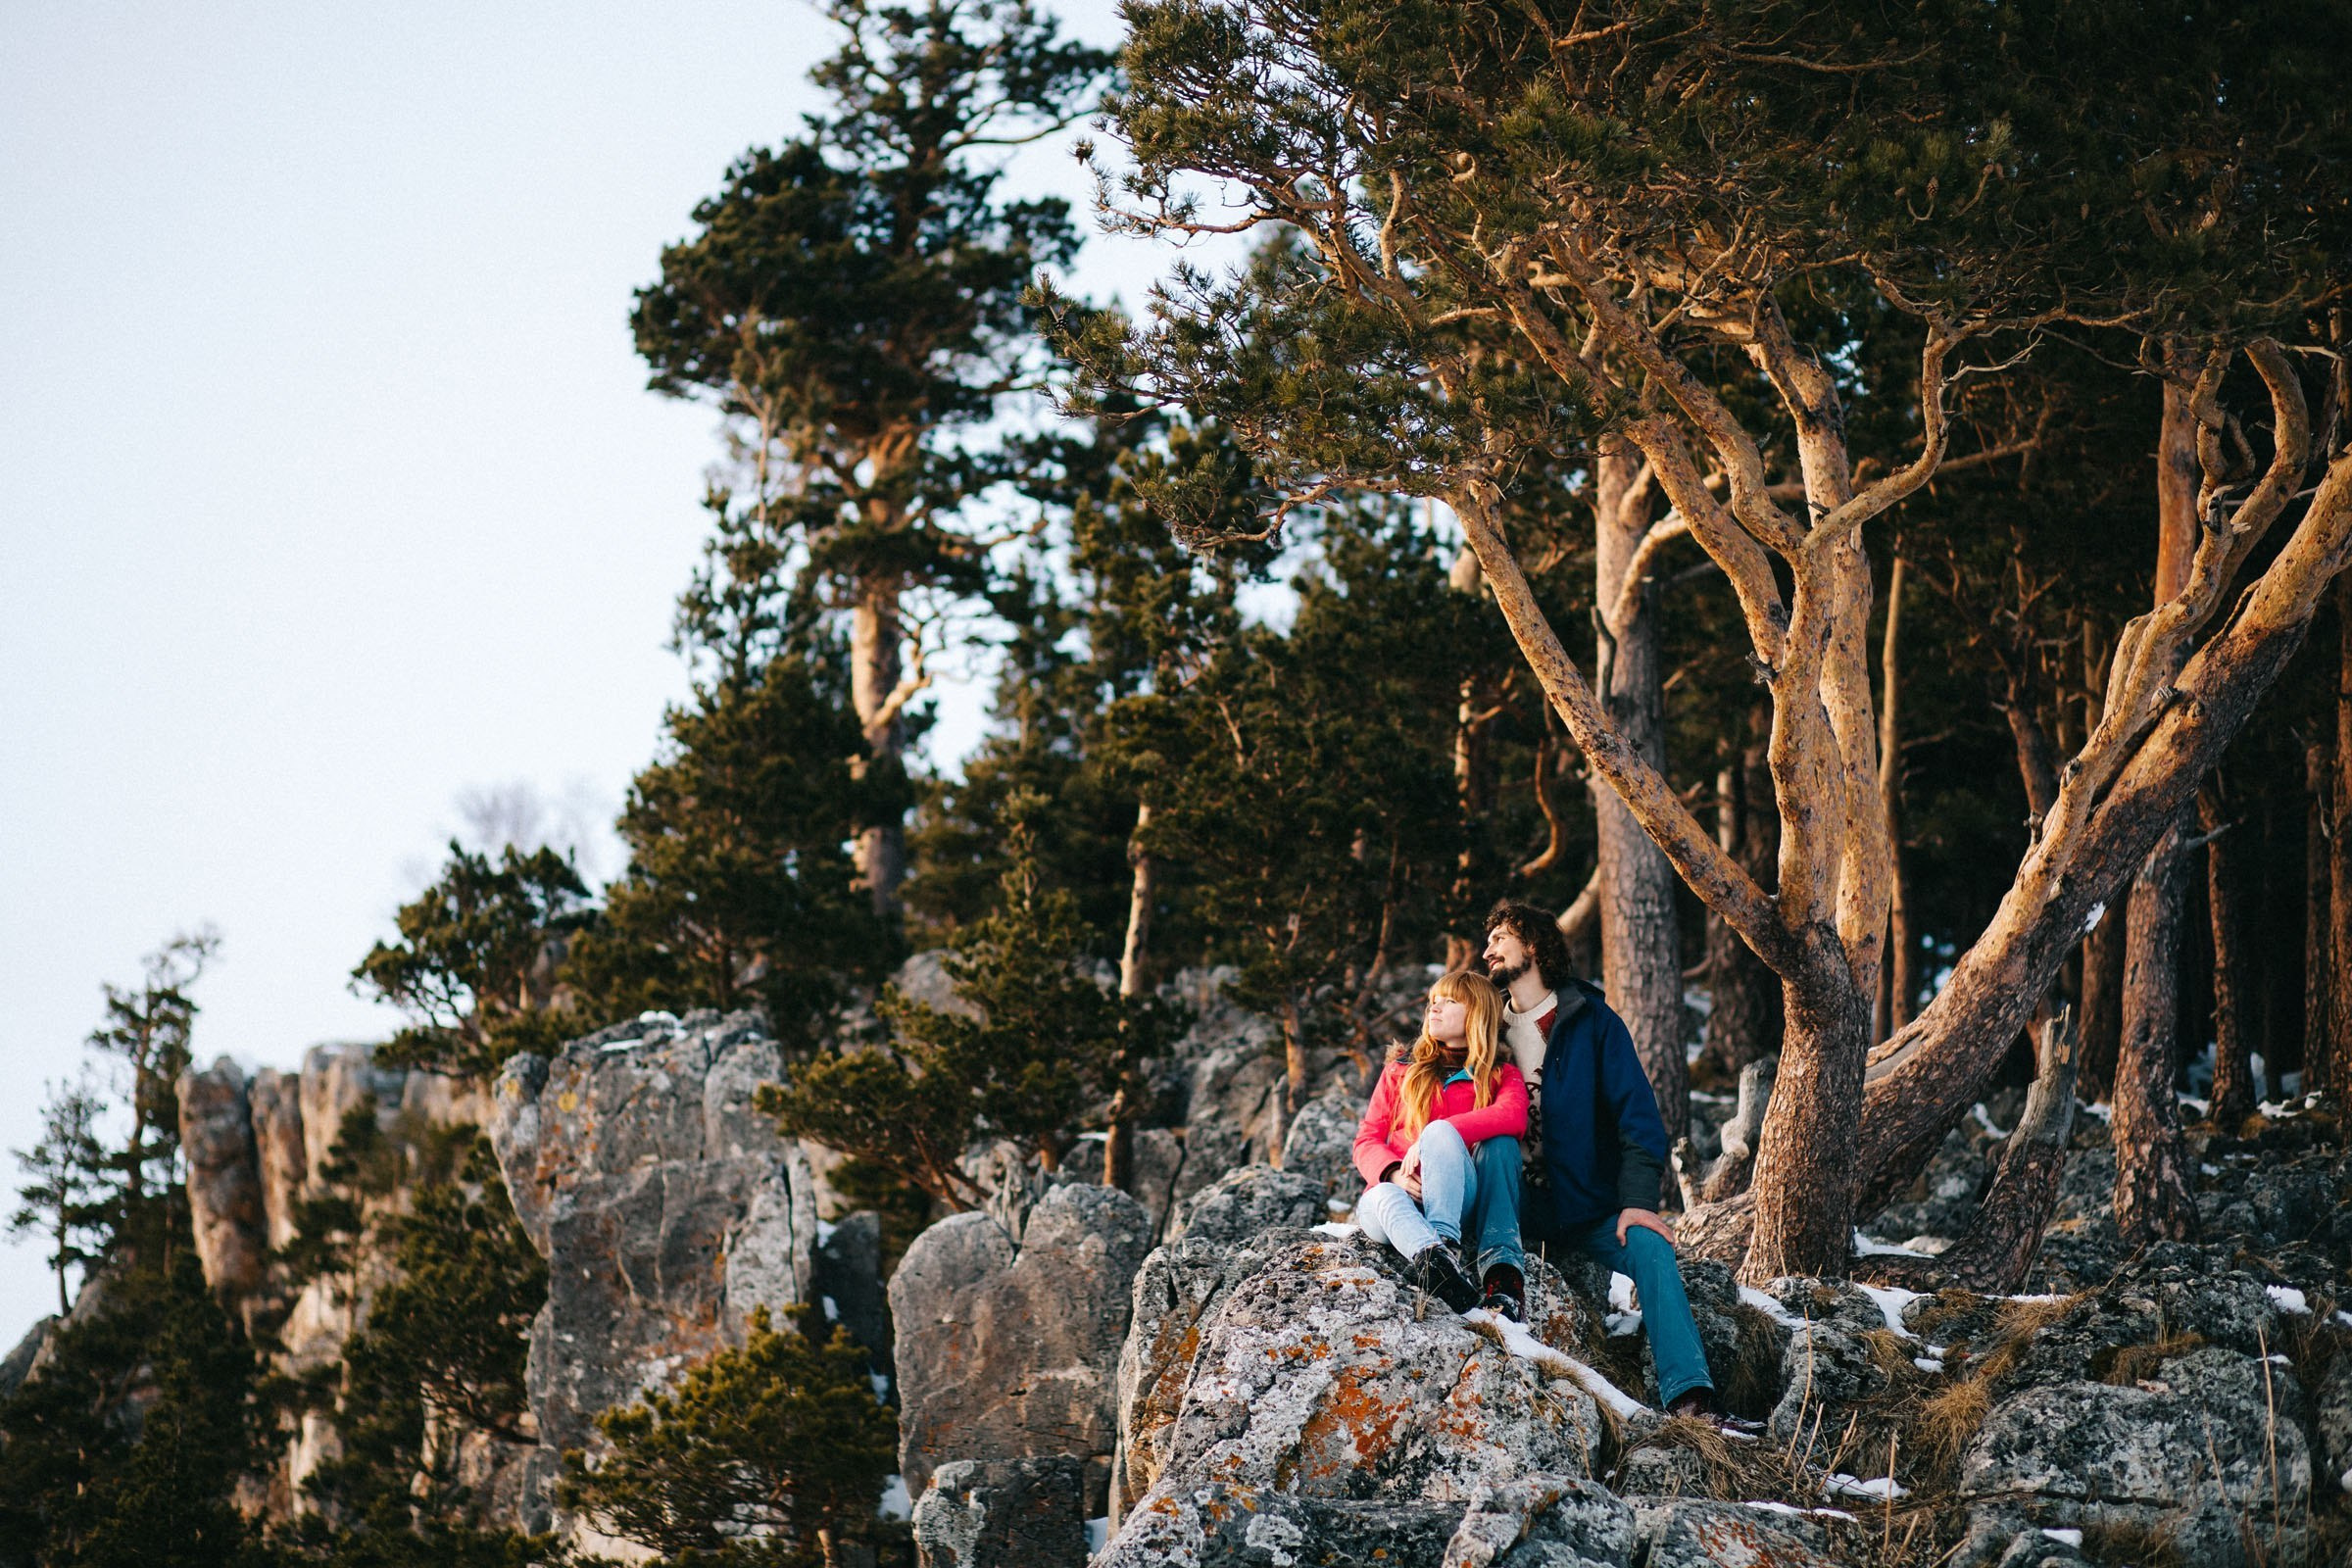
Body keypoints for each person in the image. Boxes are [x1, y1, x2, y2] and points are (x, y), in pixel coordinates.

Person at [1481, 900, 1720, 1417]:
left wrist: (1636, 1202)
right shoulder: (1485, 1025)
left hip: (1587, 1206)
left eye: (1500, 937)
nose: (1488, 950)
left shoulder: (1592, 1022)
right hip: (1512, 1205)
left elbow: (1639, 1122)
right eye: (1489, 940)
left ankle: (1690, 1398)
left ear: (1536, 945)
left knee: (1651, 1248)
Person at [1349, 970, 1529, 1316]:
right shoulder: (1401, 1070)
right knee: (1381, 1194)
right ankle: (1437, 1263)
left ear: (1476, 1014)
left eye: (1449, 1002)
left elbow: (1514, 1116)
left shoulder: (1499, 1073)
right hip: (1398, 1204)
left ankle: (1448, 1246)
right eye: (1434, 1001)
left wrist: (1439, 1133)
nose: (1435, 1008)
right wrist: (1392, 1174)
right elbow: (1367, 1139)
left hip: (1456, 1199)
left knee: (1474, 1138)